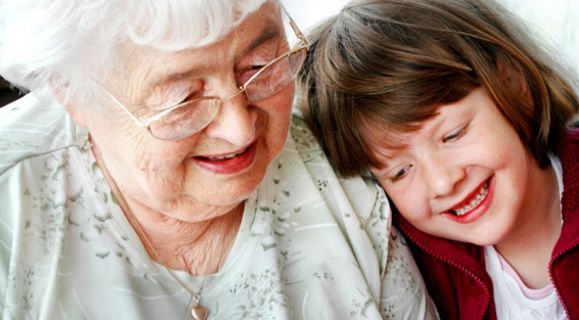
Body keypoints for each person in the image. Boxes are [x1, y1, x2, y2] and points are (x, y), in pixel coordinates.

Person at [0, 0, 438, 319]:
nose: (240, 129)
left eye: (260, 66)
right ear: (71, 94)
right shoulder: (11, 208)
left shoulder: (340, 167)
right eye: (184, 97)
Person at [298, 0, 579, 319]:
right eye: (400, 172)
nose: (443, 181)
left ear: (512, 85)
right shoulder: (413, 265)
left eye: (452, 135)